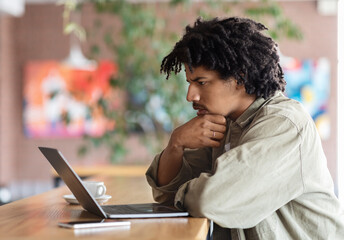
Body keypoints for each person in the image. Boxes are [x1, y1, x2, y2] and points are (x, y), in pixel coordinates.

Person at [145, 17, 344, 239]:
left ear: (240, 78)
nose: (190, 95)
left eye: (201, 83)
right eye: (189, 83)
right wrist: (176, 143)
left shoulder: (284, 125)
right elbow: (165, 194)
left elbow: (210, 200)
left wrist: (187, 193)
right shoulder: (225, 123)